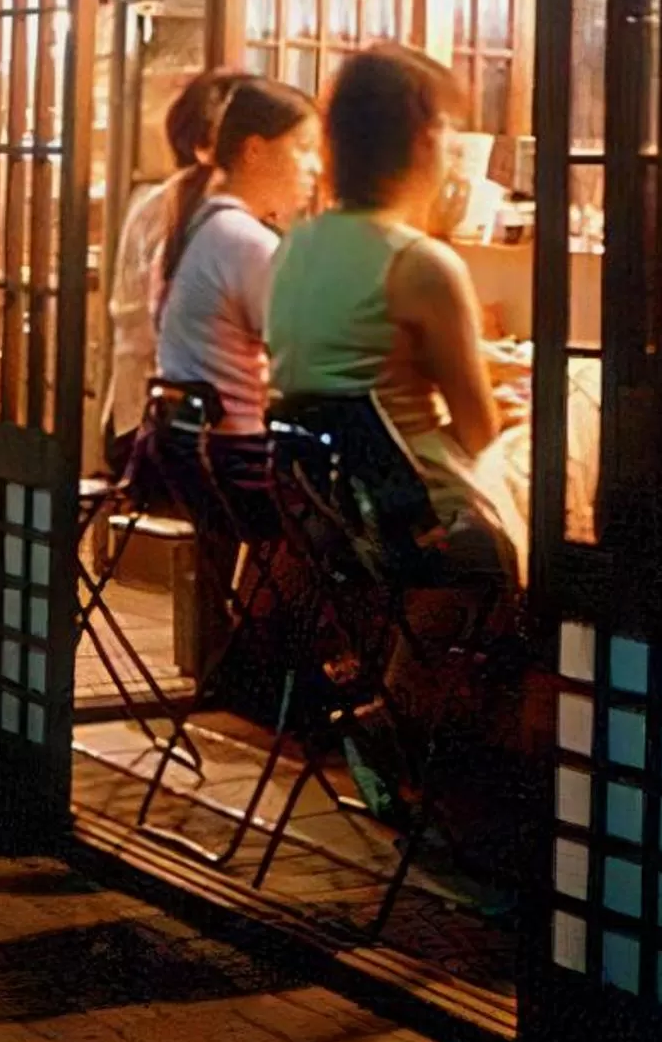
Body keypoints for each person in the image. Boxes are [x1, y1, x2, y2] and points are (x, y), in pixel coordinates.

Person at [267, 44, 524, 591]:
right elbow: (477, 432)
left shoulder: (294, 245)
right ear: (423, 138)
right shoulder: (421, 264)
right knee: (545, 449)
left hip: (323, 503)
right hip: (411, 511)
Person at [149, 78, 322, 621]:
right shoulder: (245, 241)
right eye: (304, 147)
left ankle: (265, 657)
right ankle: (285, 662)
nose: (314, 167)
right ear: (255, 149)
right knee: (369, 523)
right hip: (238, 464)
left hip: (190, 454)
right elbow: (308, 355)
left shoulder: (205, 223)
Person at [101, 70, 241, 473]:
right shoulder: (196, 209)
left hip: (133, 414)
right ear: (205, 145)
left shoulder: (156, 200)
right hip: (165, 426)